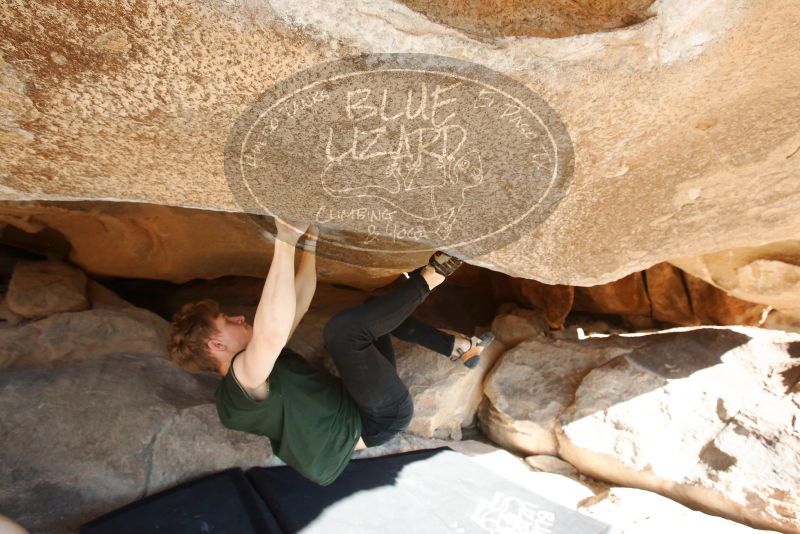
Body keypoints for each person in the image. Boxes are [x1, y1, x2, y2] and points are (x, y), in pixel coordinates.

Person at [166, 216, 495, 486]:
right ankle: (435, 273)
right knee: (344, 332)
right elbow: (270, 334)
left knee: (373, 312)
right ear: (216, 345)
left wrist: (309, 242)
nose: (239, 317)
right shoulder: (237, 389)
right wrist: (284, 240)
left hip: (363, 399)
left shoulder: (258, 363)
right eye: (226, 320)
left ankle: (456, 347)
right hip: (375, 420)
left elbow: (299, 300)